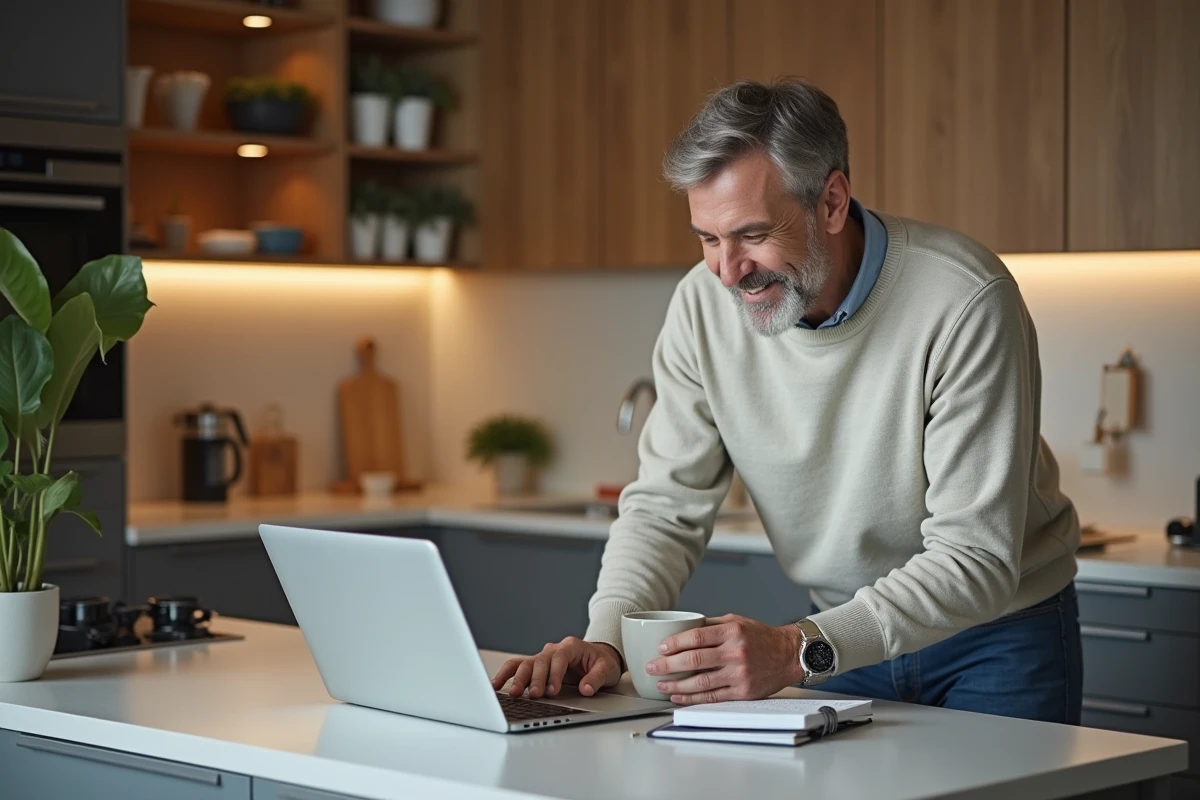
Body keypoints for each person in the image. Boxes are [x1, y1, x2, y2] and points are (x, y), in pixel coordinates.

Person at [491, 78, 1083, 723]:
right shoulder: (702, 306)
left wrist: (794, 650)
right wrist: (607, 635)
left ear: (830, 201)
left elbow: (974, 558)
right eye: (707, 239)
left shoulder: (963, 300)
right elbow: (665, 507)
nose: (726, 271)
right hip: (843, 634)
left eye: (751, 234)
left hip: (995, 637)